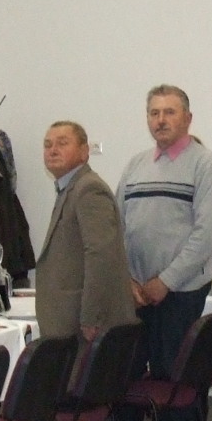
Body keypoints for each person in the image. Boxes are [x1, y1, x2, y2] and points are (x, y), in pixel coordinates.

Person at [117, 84, 212, 421]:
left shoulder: (205, 165)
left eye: (169, 112)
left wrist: (165, 281)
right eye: (154, 112)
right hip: (135, 294)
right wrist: (128, 279)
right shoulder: (135, 166)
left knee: (173, 379)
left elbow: (208, 234)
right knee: (126, 376)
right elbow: (117, 226)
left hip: (180, 293)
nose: (160, 120)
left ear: (187, 118)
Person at [34, 121, 137, 342]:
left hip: (85, 325)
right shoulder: (69, 188)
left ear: (84, 151)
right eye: (48, 145)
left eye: (62, 143)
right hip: (69, 321)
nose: (53, 150)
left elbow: (101, 255)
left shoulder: (89, 189)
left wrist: (92, 316)